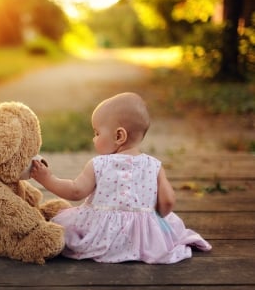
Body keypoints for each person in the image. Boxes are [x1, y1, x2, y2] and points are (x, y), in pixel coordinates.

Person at [31, 92, 212, 264]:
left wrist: (47, 179)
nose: (94, 139)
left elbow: (75, 191)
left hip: (102, 236)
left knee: (64, 230)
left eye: (97, 133)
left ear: (119, 136)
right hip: (145, 241)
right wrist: (154, 221)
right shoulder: (154, 165)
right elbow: (168, 201)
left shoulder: (99, 164)